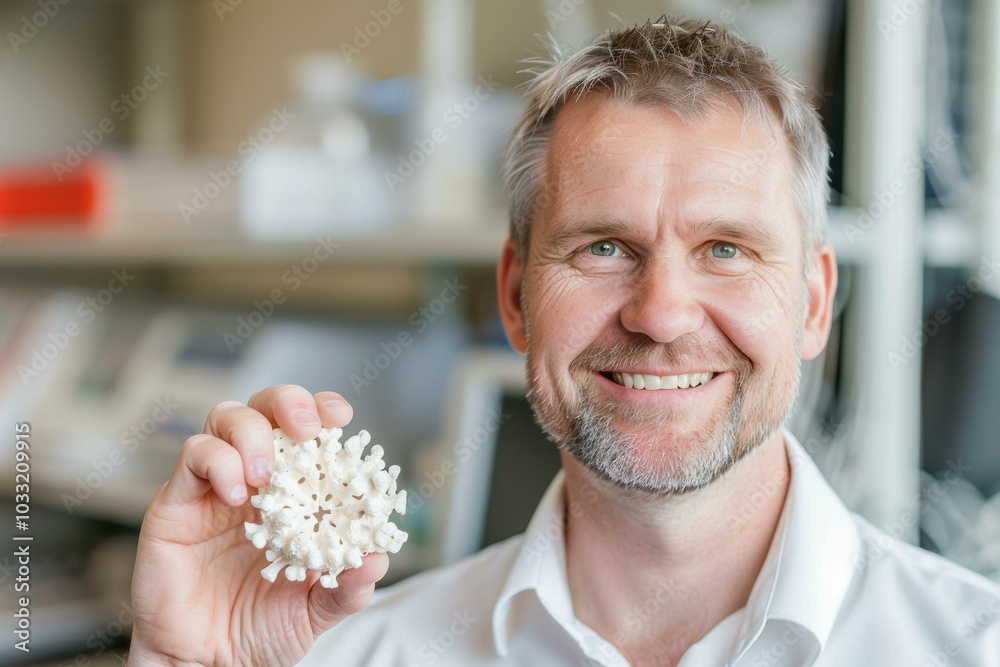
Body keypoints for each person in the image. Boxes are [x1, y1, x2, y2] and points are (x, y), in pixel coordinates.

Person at [128, 17, 1000, 667]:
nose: (661, 314)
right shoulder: (357, 654)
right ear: (514, 296)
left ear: (814, 302)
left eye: (725, 250)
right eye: (604, 247)